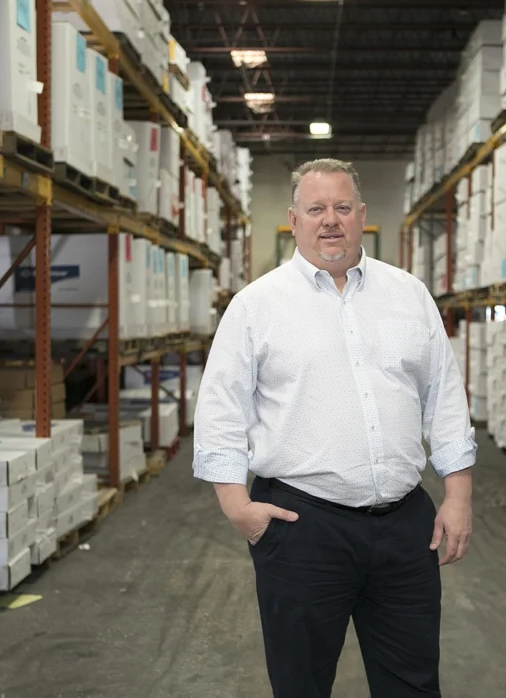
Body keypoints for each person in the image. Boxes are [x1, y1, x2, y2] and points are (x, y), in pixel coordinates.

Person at [193, 158, 476, 698]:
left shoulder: (408, 294)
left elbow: (444, 398)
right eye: (316, 209)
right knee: (301, 686)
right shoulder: (257, 306)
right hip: (302, 527)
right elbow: (220, 413)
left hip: (404, 527)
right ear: (294, 219)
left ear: (362, 216)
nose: (330, 220)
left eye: (342, 208)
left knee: (414, 684)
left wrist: (458, 495)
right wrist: (239, 509)